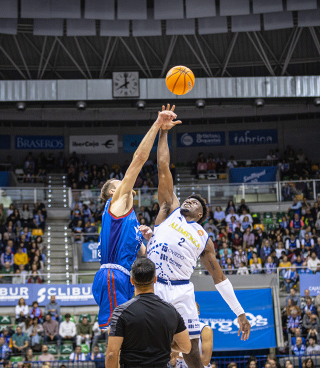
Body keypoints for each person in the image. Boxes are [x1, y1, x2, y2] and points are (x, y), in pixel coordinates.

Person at [144, 121, 251, 368]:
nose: (190, 201)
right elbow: (162, 167)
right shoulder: (170, 210)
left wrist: (240, 312)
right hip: (154, 286)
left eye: (195, 203)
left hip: (182, 290)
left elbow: (219, 278)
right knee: (149, 348)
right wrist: (163, 132)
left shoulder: (203, 237)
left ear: (201, 214)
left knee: (191, 351)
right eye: (188, 198)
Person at [93, 105, 179, 330]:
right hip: (113, 276)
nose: (123, 183)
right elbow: (139, 159)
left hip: (125, 277)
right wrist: (158, 124)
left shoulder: (129, 221)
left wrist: (147, 239)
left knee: (134, 335)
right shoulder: (116, 203)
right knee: (118, 338)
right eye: (118, 183)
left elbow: (142, 256)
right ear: (113, 192)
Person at [106, 257, 191, 368]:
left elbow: (112, 354)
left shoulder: (121, 312)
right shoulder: (171, 311)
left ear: (132, 280)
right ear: (155, 279)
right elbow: (186, 347)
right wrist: (164, 344)